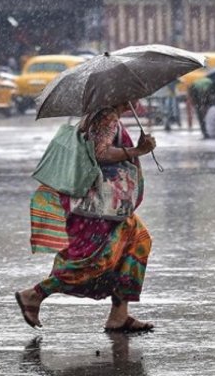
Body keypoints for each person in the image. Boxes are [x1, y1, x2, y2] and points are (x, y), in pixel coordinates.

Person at [16, 101, 157, 332]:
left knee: (137, 242)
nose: (139, 97)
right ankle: (34, 294)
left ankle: (119, 314)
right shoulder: (107, 116)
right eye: (135, 93)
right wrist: (137, 151)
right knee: (94, 261)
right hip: (99, 208)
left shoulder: (103, 115)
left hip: (109, 208)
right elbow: (99, 153)